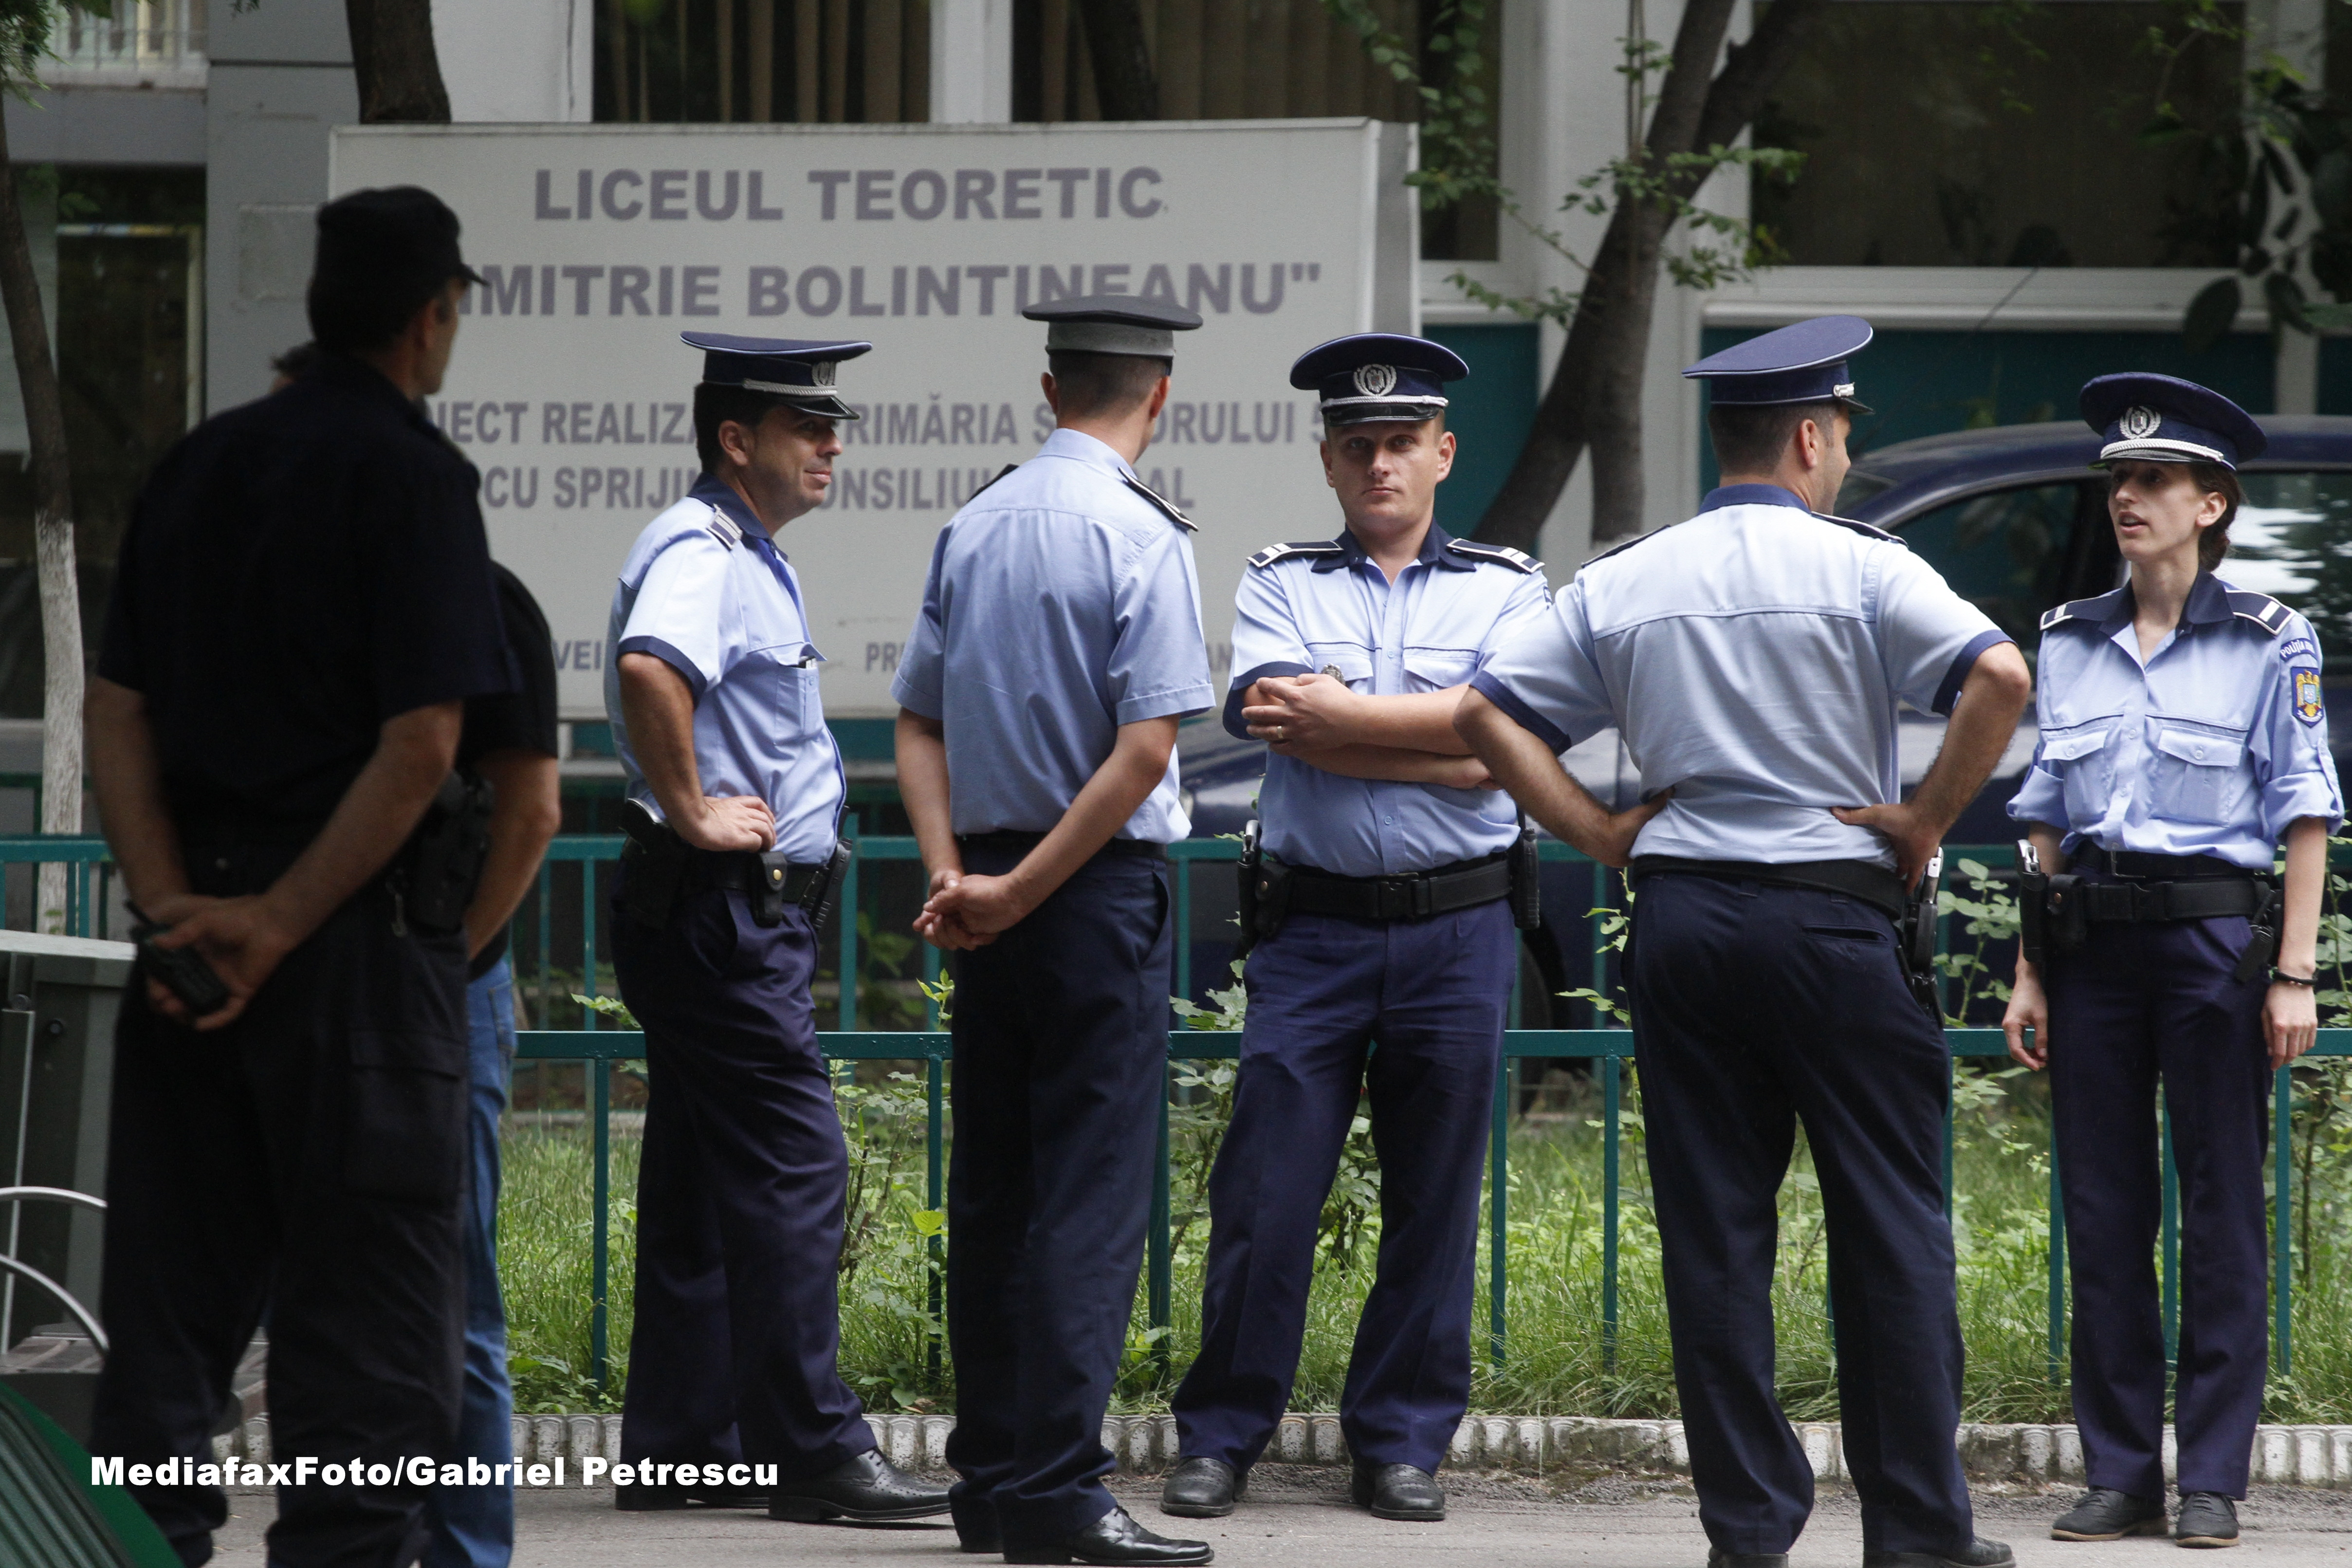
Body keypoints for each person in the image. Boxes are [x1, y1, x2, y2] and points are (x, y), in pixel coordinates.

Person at [1456, 316, 2033, 1568]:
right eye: (1838, 441)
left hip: (1684, 928)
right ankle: (1920, 1534)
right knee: (1889, 1225)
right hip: (1836, 921)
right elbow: (2000, 677)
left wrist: (1602, 834)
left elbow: (1486, 713)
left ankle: (1750, 1533)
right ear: (1813, 436)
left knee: (1715, 1236)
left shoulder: (1628, 576)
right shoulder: (1865, 568)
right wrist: (1926, 822)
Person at [1158, 333, 1662, 1526]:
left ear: (1442, 453)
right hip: (1312, 934)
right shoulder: (1281, 580)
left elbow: (1512, 749)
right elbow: (1293, 724)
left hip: (1459, 932)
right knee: (1267, 1195)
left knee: (1435, 1201)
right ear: (1329, 461)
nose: (1380, 462)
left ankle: (1399, 1443)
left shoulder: (1507, 589)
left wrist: (1357, 724)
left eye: (1401, 443)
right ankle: (1223, 1435)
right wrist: (1460, 739)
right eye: (1358, 445)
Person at [85, 185, 512, 1568]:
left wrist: (178, 913)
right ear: (430, 317)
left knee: (164, 1333)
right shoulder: (416, 481)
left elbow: (115, 711)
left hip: (189, 960)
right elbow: (425, 742)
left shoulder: (199, 467)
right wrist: (279, 920)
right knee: (369, 1361)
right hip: (352, 966)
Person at [893, 296, 1217, 1568]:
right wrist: (1027, 887)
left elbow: (917, 722)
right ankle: (1058, 1490)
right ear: (1160, 396)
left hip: (981, 890)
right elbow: (1147, 748)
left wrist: (956, 876)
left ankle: (989, 1482)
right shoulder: (1139, 534)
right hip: (1084, 893)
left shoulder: (973, 523)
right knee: (1087, 1194)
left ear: (1048, 385)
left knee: (994, 1187)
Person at [603, 332, 948, 1524]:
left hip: (715, 916)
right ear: (736, 441)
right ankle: (814, 1454)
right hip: (720, 915)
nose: (831, 445)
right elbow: (654, 671)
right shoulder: (703, 552)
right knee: (801, 1167)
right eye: (808, 428)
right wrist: (695, 808)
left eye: (831, 425)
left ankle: (684, 1448)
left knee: (703, 1184)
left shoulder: (744, 551)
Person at [2003, 375, 2341, 1552]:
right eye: (2118, 480)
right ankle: (2116, 1473)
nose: (2127, 498)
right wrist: (2029, 971)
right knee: (2102, 1212)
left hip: (2213, 950)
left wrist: (2293, 974)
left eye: (2153, 481)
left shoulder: (2268, 638)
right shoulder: (2068, 639)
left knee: (2220, 1212)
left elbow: (2306, 812)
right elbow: (2043, 815)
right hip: (2091, 948)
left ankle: (2210, 1477)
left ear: (2212, 504)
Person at [422, 559, 562, 1568]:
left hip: (445, 978)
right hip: (351, 976)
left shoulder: (479, 599)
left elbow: (532, 812)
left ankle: (470, 1553)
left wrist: (454, 960)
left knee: (454, 1292)